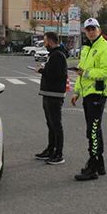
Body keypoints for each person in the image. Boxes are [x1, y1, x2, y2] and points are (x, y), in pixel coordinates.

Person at [70, 18, 107, 181]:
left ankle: (93, 167)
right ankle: (99, 163)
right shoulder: (86, 49)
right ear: (84, 31)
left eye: (93, 29)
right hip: (87, 94)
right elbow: (80, 71)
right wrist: (76, 91)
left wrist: (87, 73)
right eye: (88, 29)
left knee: (93, 130)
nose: (90, 32)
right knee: (93, 130)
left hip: (98, 94)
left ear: (99, 30)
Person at [34, 32, 68, 165]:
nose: (44, 44)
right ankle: (50, 149)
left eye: (45, 41)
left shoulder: (58, 55)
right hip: (48, 93)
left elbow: (57, 74)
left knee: (56, 124)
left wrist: (42, 71)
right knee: (50, 124)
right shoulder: (53, 55)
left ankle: (58, 153)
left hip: (55, 94)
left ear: (50, 41)